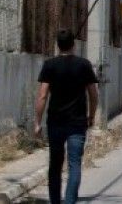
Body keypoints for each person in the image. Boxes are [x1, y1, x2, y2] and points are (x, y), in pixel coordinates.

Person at [34, 29, 99, 204]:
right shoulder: (84, 65)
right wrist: (91, 116)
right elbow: (93, 94)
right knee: (74, 164)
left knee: (55, 165)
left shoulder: (49, 65)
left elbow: (42, 95)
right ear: (74, 45)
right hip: (77, 123)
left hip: (55, 122)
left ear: (57, 45)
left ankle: (55, 201)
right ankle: (70, 201)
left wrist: (37, 122)